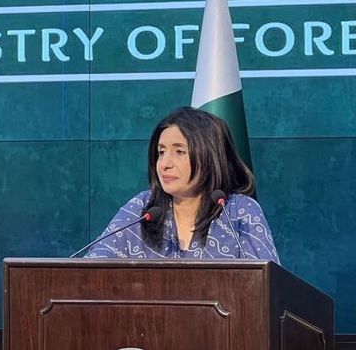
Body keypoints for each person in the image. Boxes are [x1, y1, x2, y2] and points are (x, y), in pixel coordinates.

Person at [84, 106, 279, 262]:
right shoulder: (142, 208)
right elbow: (90, 271)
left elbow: (267, 285)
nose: (165, 164)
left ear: (209, 156)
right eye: (161, 152)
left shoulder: (238, 210)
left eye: (179, 152)